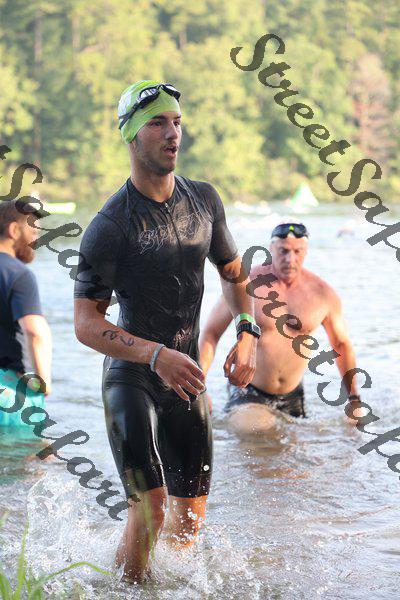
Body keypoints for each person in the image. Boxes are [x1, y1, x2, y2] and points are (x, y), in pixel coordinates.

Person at [73, 80, 260, 583]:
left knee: (189, 522)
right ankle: (125, 592)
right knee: (151, 508)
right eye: (157, 123)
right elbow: (86, 324)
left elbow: (234, 275)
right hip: (133, 379)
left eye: (176, 121)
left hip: (186, 381)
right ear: (131, 136)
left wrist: (247, 331)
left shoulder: (205, 200)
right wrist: (156, 355)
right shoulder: (110, 225)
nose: (172, 133)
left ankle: (164, 588)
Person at [199, 222, 360, 434]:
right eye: (283, 251)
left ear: (306, 251)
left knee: (304, 448)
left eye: (297, 251)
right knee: (256, 431)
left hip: (293, 395)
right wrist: (200, 387)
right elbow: (211, 333)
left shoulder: (322, 293)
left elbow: (341, 344)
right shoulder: (246, 284)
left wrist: (354, 399)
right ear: (271, 249)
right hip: (249, 391)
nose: (290, 259)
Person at [0, 200, 52, 426]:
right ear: (14, 230)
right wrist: (42, 382)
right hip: (9, 392)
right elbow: (35, 332)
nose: (36, 240)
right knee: (32, 448)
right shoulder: (18, 275)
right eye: (33, 231)